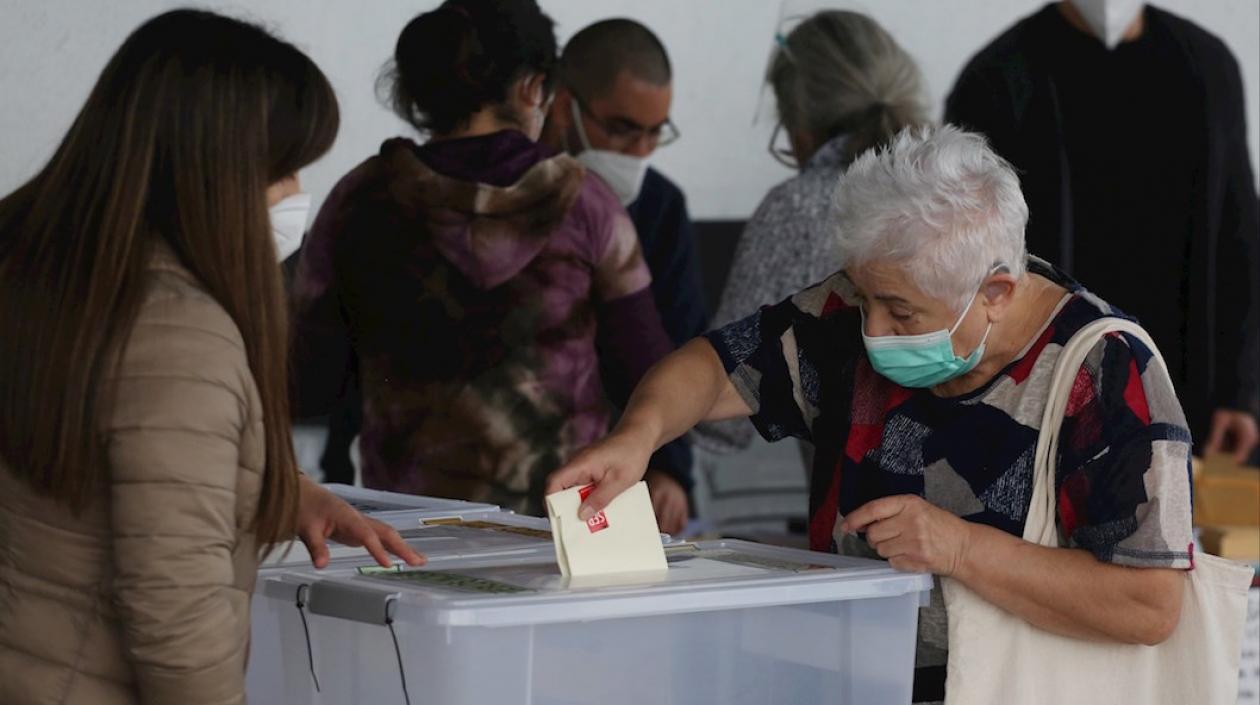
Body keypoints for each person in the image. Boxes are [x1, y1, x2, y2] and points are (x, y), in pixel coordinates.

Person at [549, 126, 1190, 703]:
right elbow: (715, 366)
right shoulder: (853, 308)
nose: (873, 331)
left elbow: (1149, 604)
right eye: (864, 300)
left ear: (994, 293)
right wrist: (638, 436)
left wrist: (960, 548)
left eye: (901, 313)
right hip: (848, 678)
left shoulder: (1105, 370)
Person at [0, 10, 422, 705]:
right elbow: (175, 612)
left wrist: (277, 491)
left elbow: (95, 467)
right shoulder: (176, 335)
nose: (294, 196)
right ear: (212, 169)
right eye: (283, 169)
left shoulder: (39, 269)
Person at [290, 0, 675, 520]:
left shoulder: (360, 199)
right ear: (531, 88)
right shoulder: (587, 203)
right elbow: (646, 367)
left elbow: (311, 379)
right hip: (566, 520)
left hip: (407, 523)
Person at [945, 0, 1260, 463]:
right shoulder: (999, 75)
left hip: (1189, 389)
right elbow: (969, 256)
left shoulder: (1207, 66)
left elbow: (1240, 237)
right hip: (1053, 387)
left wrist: (1240, 390)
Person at [692, 10, 929, 534]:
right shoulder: (959, 196)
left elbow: (723, 383)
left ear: (799, 119)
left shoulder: (798, 207)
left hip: (862, 521)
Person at [540, 18, 703, 532]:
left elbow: (680, 342)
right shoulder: (518, 199)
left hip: (618, 472)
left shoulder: (660, 205)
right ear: (564, 106)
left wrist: (670, 468)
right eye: (622, 129)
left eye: (655, 133)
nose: (638, 151)